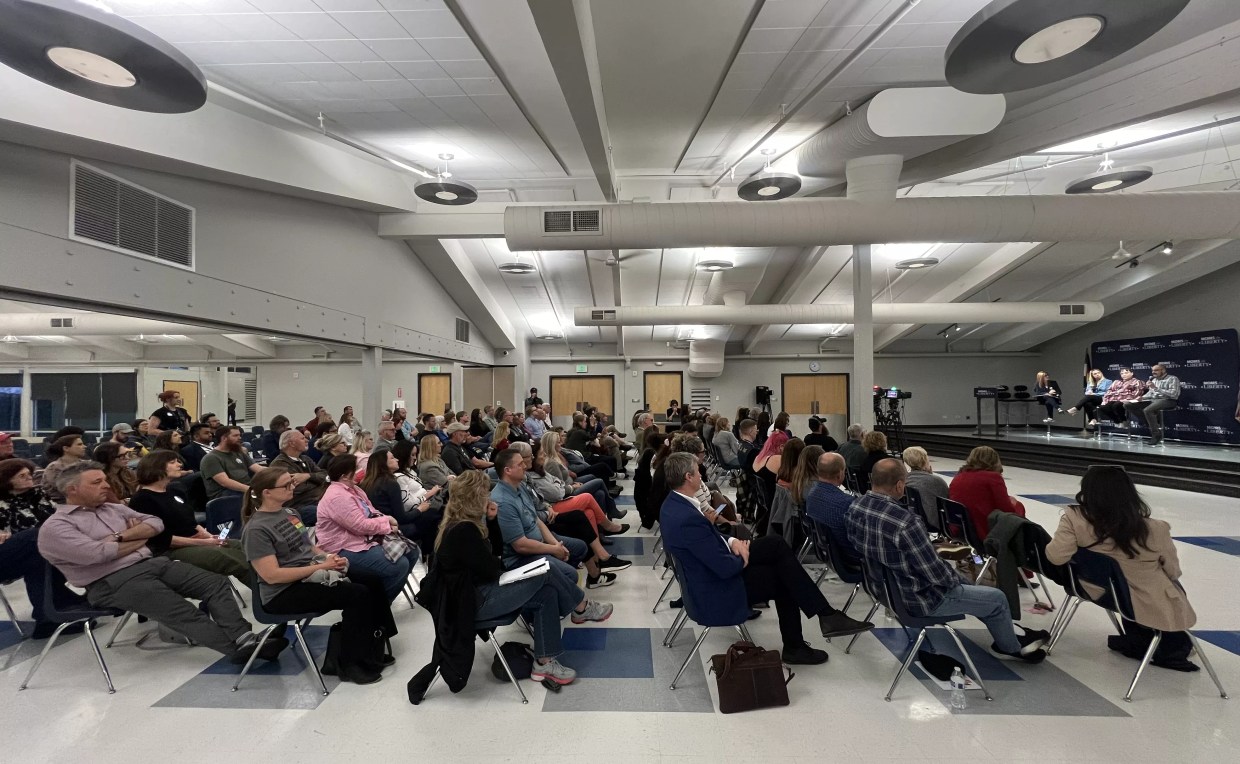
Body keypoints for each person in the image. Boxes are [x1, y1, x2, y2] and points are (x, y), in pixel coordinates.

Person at [38, 462, 284, 664]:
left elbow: (155, 525)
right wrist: (139, 537)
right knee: (182, 611)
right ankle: (240, 650)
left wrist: (119, 538)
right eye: (96, 482)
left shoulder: (112, 510)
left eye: (104, 479)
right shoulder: (57, 527)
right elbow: (96, 555)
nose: (105, 485)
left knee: (215, 583)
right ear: (72, 490)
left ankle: (243, 637)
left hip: (151, 564)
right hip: (112, 581)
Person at [660, 452, 872, 664]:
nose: (701, 476)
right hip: (715, 590)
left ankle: (825, 617)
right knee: (783, 578)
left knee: (776, 544)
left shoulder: (674, 504)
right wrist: (741, 554)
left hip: (705, 576)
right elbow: (725, 568)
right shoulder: (687, 518)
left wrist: (733, 542)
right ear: (688, 477)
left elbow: (708, 538)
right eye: (698, 472)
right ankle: (803, 639)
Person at [846, 459, 1048, 663]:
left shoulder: (856, 507)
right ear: (899, 485)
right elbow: (936, 574)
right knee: (997, 598)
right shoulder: (905, 522)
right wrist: (958, 580)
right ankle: (1010, 647)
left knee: (974, 590)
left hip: (882, 589)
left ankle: (1011, 631)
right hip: (920, 598)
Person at [241, 467, 393, 685]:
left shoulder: (291, 513)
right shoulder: (257, 530)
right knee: (357, 595)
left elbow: (309, 548)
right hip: (283, 592)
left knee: (371, 579)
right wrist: (319, 568)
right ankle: (350, 663)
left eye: (291, 482)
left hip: (308, 573)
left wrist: (329, 558)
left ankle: (374, 646)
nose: (292, 487)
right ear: (267, 492)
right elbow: (272, 576)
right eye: (286, 485)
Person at [431, 470, 579, 685]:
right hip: (473, 604)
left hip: (478, 592)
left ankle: (544, 663)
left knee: (546, 593)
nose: (488, 499)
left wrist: (491, 521)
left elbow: (494, 560)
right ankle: (580, 607)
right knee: (547, 572)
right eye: (484, 495)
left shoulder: (463, 523)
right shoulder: (463, 531)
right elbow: (493, 567)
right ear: (475, 498)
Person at [1045, 466, 1199, 671]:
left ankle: (1140, 638)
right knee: (1172, 587)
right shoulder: (1155, 529)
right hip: (1143, 599)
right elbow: (1172, 570)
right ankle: (1167, 642)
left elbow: (1056, 557)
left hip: (1097, 590)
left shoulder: (1074, 519)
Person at [490, 449, 612, 624]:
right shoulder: (503, 501)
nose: (525, 466)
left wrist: (556, 545)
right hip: (521, 557)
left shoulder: (520, 487)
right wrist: (553, 549)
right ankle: (569, 608)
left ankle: (561, 598)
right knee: (569, 574)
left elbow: (537, 521)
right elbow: (520, 545)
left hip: (539, 540)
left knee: (579, 547)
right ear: (507, 470)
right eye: (520, 464)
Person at [0, 459, 89, 639]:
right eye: (21, 476)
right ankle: (63, 603)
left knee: (40, 557)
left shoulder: (37, 494)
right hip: (9, 553)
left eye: (29, 475)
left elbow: (58, 518)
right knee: (37, 537)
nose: (28, 479)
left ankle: (50, 616)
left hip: (35, 551)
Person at [128, 450, 248, 581]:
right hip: (170, 550)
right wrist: (204, 543)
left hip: (195, 540)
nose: (179, 465)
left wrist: (210, 537)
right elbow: (161, 539)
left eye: (178, 461)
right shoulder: (142, 499)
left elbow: (192, 522)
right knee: (233, 561)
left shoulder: (174, 490)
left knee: (246, 547)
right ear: (156, 467)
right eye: (173, 462)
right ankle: (266, 597)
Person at [315, 454, 417, 604]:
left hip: (362, 540)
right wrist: (387, 523)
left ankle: (379, 599)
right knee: (399, 566)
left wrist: (387, 522)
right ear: (344, 476)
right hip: (343, 547)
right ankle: (376, 608)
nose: (361, 470)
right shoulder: (337, 496)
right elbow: (360, 526)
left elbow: (372, 511)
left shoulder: (355, 489)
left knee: (413, 552)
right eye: (356, 468)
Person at [948, 446, 1025, 541]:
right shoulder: (993, 478)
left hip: (961, 529)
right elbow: (1007, 510)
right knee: (1018, 509)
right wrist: (1016, 505)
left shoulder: (958, 477)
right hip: (984, 530)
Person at [388, 440, 444, 559]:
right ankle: (430, 553)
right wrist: (428, 494)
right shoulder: (399, 477)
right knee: (438, 515)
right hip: (414, 511)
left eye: (415, 455)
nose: (414, 458)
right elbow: (407, 504)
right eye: (412, 455)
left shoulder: (410, 471)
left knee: (443, 511)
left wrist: (427, 494)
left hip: (424, 504)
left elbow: (418, 491)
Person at [804, 452, 861, 563]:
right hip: (851, 557)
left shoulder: (811, 494)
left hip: (829, 552)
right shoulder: (847, 503)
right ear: (840, 474)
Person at [268, 429, 328, 521]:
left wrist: (308, 476)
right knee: (328, 513)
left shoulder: (305, 459)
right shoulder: (280, 464)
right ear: (292, 443)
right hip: (297, 507)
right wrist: (317, 481)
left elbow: (325, 476)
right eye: (302, 438)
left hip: (317, 499)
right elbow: (298, 489)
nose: (307, 440)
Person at [1124, 364, 1181, 444]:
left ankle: (1156, 435)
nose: (1153, 372)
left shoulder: (1172, 379)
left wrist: (1156, 388)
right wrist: (1141, 398)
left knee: (1147, 410)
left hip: (1168, 400)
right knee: (1127, 404)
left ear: (1163, 370)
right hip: (1153, 400)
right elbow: (1150, 394)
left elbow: (1173, 394)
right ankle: (1149, 422)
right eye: (1152, 370)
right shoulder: (1154, 380)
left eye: (1156, 370)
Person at [200, 426, 261, 501]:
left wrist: (276, 473)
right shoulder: (211, 458)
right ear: (224, 438)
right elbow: (225, 482)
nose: (240, 438)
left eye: (239, 435)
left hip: (244, 488)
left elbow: (257, 468)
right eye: (235, 436)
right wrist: (251, 490)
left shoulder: (239, 452)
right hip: (225, 494)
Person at [901, 446, 947, 530]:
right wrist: (931, 475)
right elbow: (947, 502)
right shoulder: (936, 481)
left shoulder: (905, 480)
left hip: (913, 520)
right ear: (925, 460)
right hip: (934, 522)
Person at [40, 434, 89, 502]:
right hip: (59, 503)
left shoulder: (87, 465)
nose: (84, 447)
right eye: (79, 444)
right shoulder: (54, 467)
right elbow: (64, 489)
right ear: (66, 448)